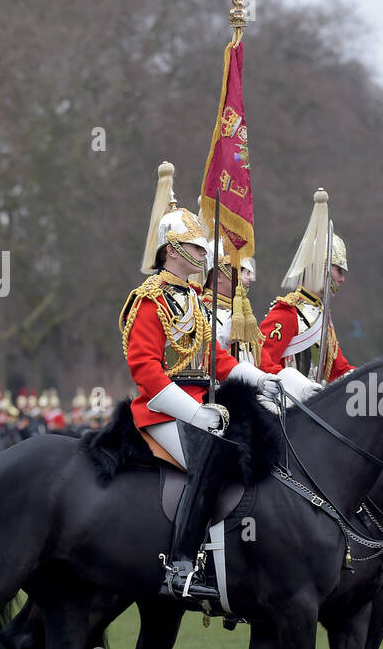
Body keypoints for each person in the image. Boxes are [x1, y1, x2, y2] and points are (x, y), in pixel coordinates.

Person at [121, 160, 282, 598]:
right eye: (195, 247)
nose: (203, 255)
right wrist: (194, 412)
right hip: (162, 411)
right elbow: (147, 371)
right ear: (171, 249)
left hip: (204, 405)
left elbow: (218, 360)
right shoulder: (149, 300)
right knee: (214, 455)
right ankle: (181, 566)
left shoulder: (193, 300)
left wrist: (263, 380)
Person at [259, 190, 355, 397]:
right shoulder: (287, 312)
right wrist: (297, 387)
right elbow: (262, 360)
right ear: (322, 269)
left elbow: (339, 370)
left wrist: (369, 378)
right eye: (338, 270)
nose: (342, 279)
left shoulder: (321, 315)